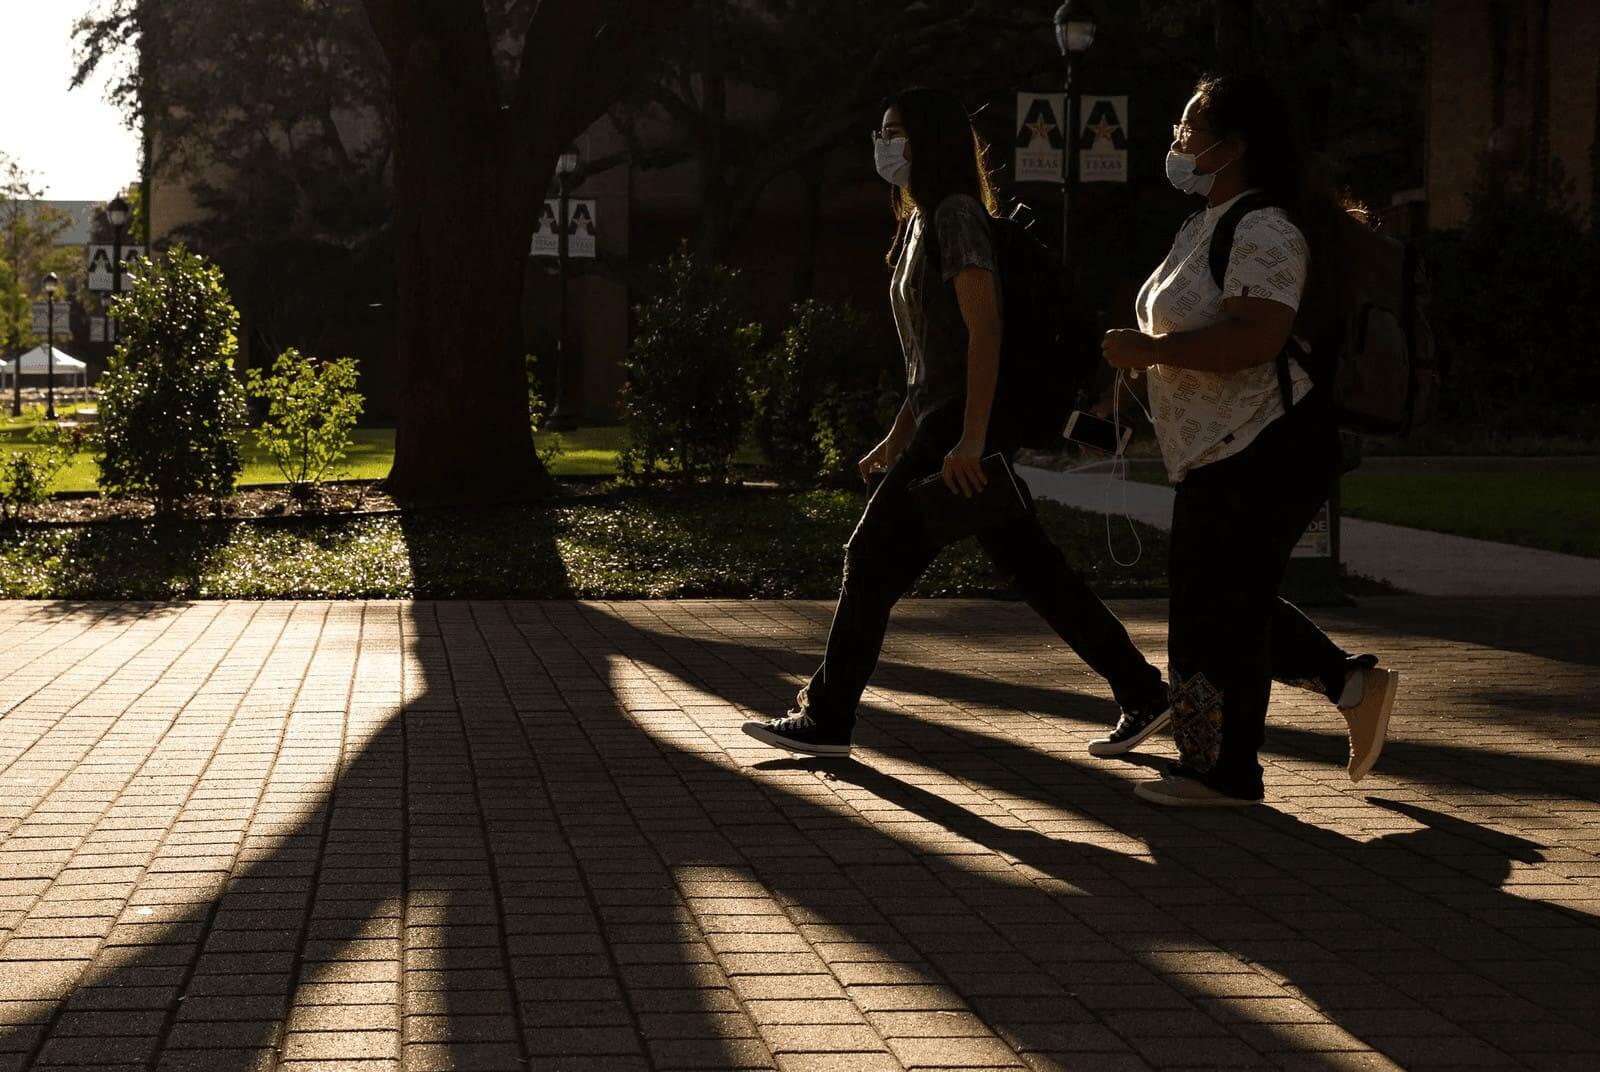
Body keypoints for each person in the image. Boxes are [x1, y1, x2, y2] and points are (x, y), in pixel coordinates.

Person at [742, 87, 1170, 758]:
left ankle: (828, 717)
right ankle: (1144, 692)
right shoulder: (917, 223)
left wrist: (970, 439)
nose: (884, 145)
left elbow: (985, 332)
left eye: (894, 132)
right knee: (1032, 569)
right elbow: (931, 360)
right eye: (882, 132)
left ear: (928, 141)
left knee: (870, 557)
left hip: (964, 432)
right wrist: (895, 437)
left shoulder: (957, 215)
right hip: (946, 424)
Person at [1101, 73, 1398, 807]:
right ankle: (1346, 684)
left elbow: (1256, 335)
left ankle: (1224, 772)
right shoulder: (1207, 220)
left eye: (1191, 125)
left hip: (1265, 448)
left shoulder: (1263, 227)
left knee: (1217, 611)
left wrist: (1151, 355)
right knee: (1225, 598)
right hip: (1220, 450)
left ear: (1234, 146)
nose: (1177, 138)